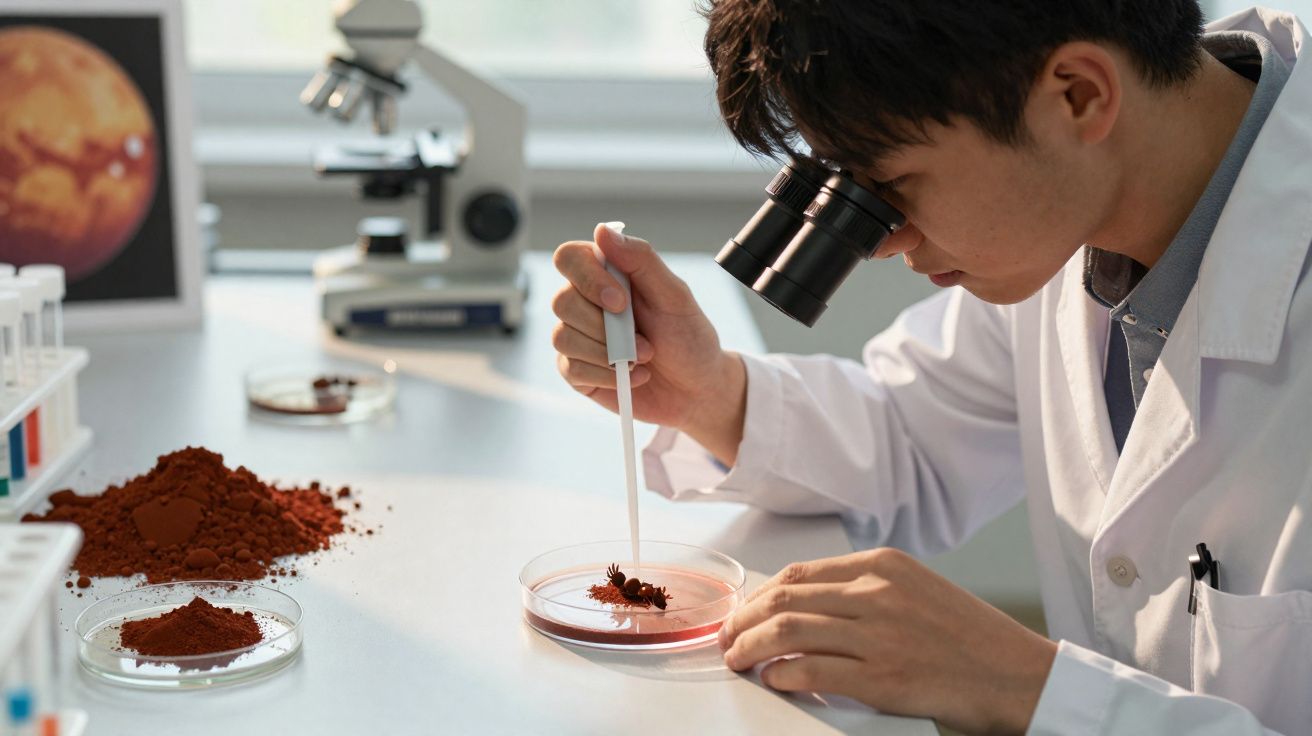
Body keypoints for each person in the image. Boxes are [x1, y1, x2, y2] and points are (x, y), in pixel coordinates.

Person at [551, 2, 1312, 733]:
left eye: (893, 185)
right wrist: (707, 391)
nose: (884, 242)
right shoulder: (1075, 211)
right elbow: (910, 437)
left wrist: (1024, 685)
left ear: (1078, 95)